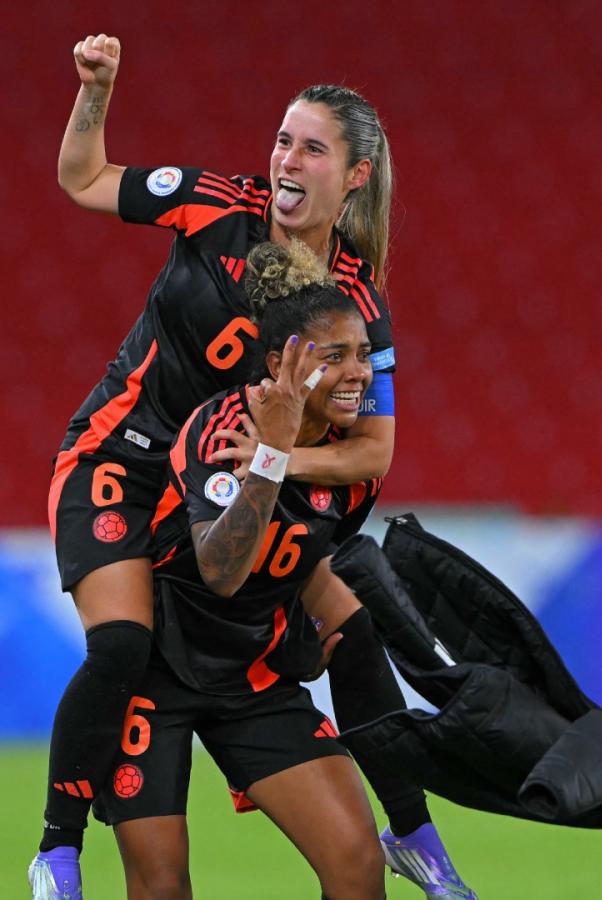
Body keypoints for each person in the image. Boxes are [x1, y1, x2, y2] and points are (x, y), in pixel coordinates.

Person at [32, 33, 472, 900]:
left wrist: (272, 459)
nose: (285, 160)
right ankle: (57, 850)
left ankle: (411, 831)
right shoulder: (213, 206)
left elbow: (374, 449)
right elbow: (83, 178)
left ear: (354, 176)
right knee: (122, 642)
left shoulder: (357, 304)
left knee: (352, 626)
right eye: (281, 140)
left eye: (311, 147)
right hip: (123, 457)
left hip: (232, 483)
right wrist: (96, 91)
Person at [101, 241, 392, 899]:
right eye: (333, 355)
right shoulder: (218, 429)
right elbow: (221, 570)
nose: (358, 373)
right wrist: (270, 456)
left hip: (253, 675)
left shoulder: (354, 468)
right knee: (162, 886)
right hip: (156, 669)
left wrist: (314, 624)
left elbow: (309, 561)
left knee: (356, 864)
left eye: (361, 354)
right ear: (280, 364)